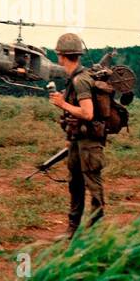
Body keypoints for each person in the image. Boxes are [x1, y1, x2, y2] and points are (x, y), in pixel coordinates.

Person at [47, 33, 106, 237]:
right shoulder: (75, 78)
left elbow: (88, 113)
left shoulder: (81, 80)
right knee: (75, 184)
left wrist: (63, 104)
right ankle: (72, 230)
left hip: (89, 142)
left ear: (61, 55)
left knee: (92, 184)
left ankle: (95, 232)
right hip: (77, 140)